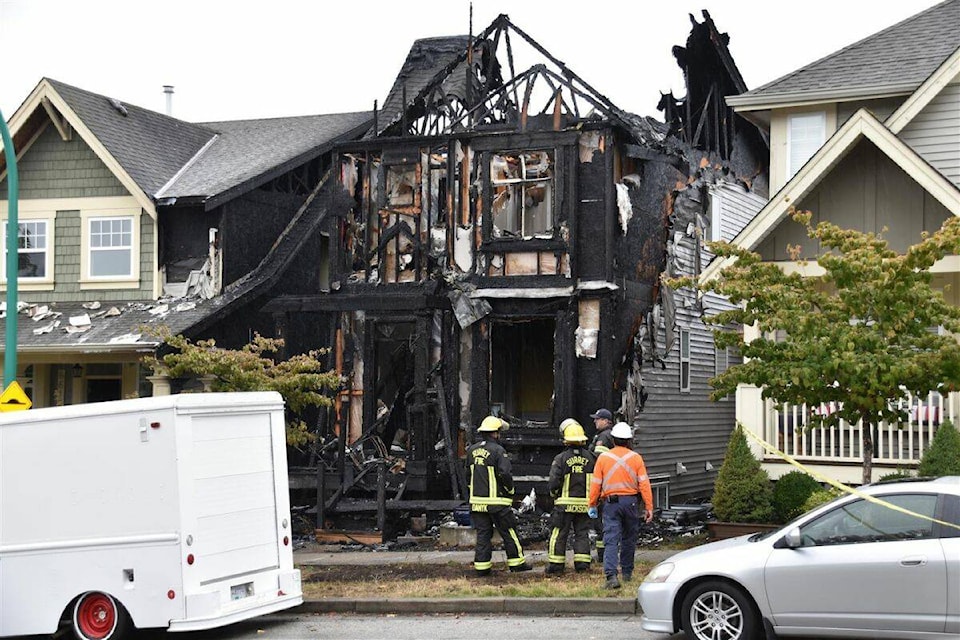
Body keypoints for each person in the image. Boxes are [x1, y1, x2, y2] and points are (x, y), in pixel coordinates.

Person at [588, 421, 654, 590]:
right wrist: (649, 507)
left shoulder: (603, 458)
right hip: (631, 502)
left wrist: (592, 504)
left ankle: (611, 577)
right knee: (629, 539)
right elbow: (644, 484)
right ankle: (627, 573)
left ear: (613, 439)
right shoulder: (636, 458)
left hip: (611, 504)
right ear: (629, 440)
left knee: (611, 539)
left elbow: (596, 484)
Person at [467, 415, 532, 576]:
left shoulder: (472, 450)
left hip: (477, 502)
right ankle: (517, 564)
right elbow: (505, 474)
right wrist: (510, 491)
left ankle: (482, 568)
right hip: (497, 502)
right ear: (495, 433)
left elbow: (468, 475)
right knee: (509, 531)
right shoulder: (498, 451)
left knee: (483, 534)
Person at [545, 420, 596, 574]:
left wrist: (554, 495)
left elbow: (554, 482)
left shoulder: (560, 458)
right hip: (584, 504)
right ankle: (582, 564)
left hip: (564, 505)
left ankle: (556, 565)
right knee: (582, 533)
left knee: (559, 533)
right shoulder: (592, 458)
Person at [588, 407, 615, 563]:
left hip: (602, 484)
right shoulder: (605, 435)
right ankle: (602, 553)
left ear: (606, 421)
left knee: (600, 523)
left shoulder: (603, 438)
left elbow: (596, 460)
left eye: (597, 419)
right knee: (600, 522)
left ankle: (602, 554)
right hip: (606, 484)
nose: (595, 421)